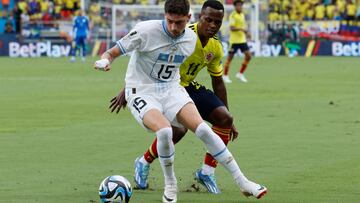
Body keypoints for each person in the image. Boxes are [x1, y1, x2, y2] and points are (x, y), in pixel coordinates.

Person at [94, 0, 267, 202]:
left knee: (203, 129)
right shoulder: (145, 30)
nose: (174, 28)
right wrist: (108, 64)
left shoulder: (191, 39)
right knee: (167, 130)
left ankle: (242, 181)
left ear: (188, 18)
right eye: (170, 22)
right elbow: (114, 52)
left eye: (179, 23)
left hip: (172, 89)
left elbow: (206, 77)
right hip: (142, 91)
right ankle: (169, 184)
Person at [222, 0, 252, 83]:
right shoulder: (233, 15)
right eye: (238, 5)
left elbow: (243, 26)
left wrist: (247, 33)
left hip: (242, 40)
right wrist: (242, 29)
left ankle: (240, 74)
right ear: (235, 6)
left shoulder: (242, 15)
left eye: (241, 5)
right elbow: (231, 28)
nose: (240, 7)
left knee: (248, 56)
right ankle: (225, 75)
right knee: (230, 58)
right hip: (234, 41)